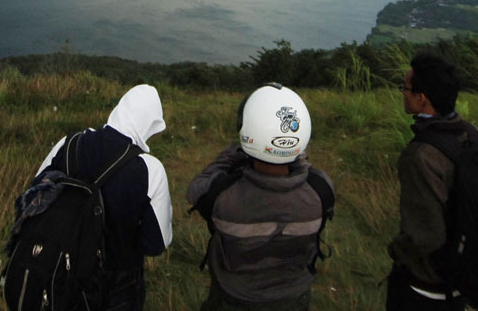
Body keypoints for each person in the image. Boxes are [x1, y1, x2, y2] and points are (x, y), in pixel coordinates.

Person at [186, 83, 334, 311]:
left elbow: (198, 186)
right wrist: (290, 150)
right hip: (294, 298)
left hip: (233, 298)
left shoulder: (222, 198)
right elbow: (305, 166)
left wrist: (240, 148)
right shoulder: (321, 192)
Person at [35, 83, 173, 311]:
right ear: (150, 124)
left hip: (56, 270)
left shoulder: (68, 143)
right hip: (115, 286)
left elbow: (34, 196)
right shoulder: (150, 169)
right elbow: (155, 243)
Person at [387, 53, 478, 310]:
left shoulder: (420, 155)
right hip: (464, 277)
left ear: (422, 98)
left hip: (426, 287)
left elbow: (424, 237)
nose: (402, 93)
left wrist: (396, 251)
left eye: (406, 88)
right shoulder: (475, 135)